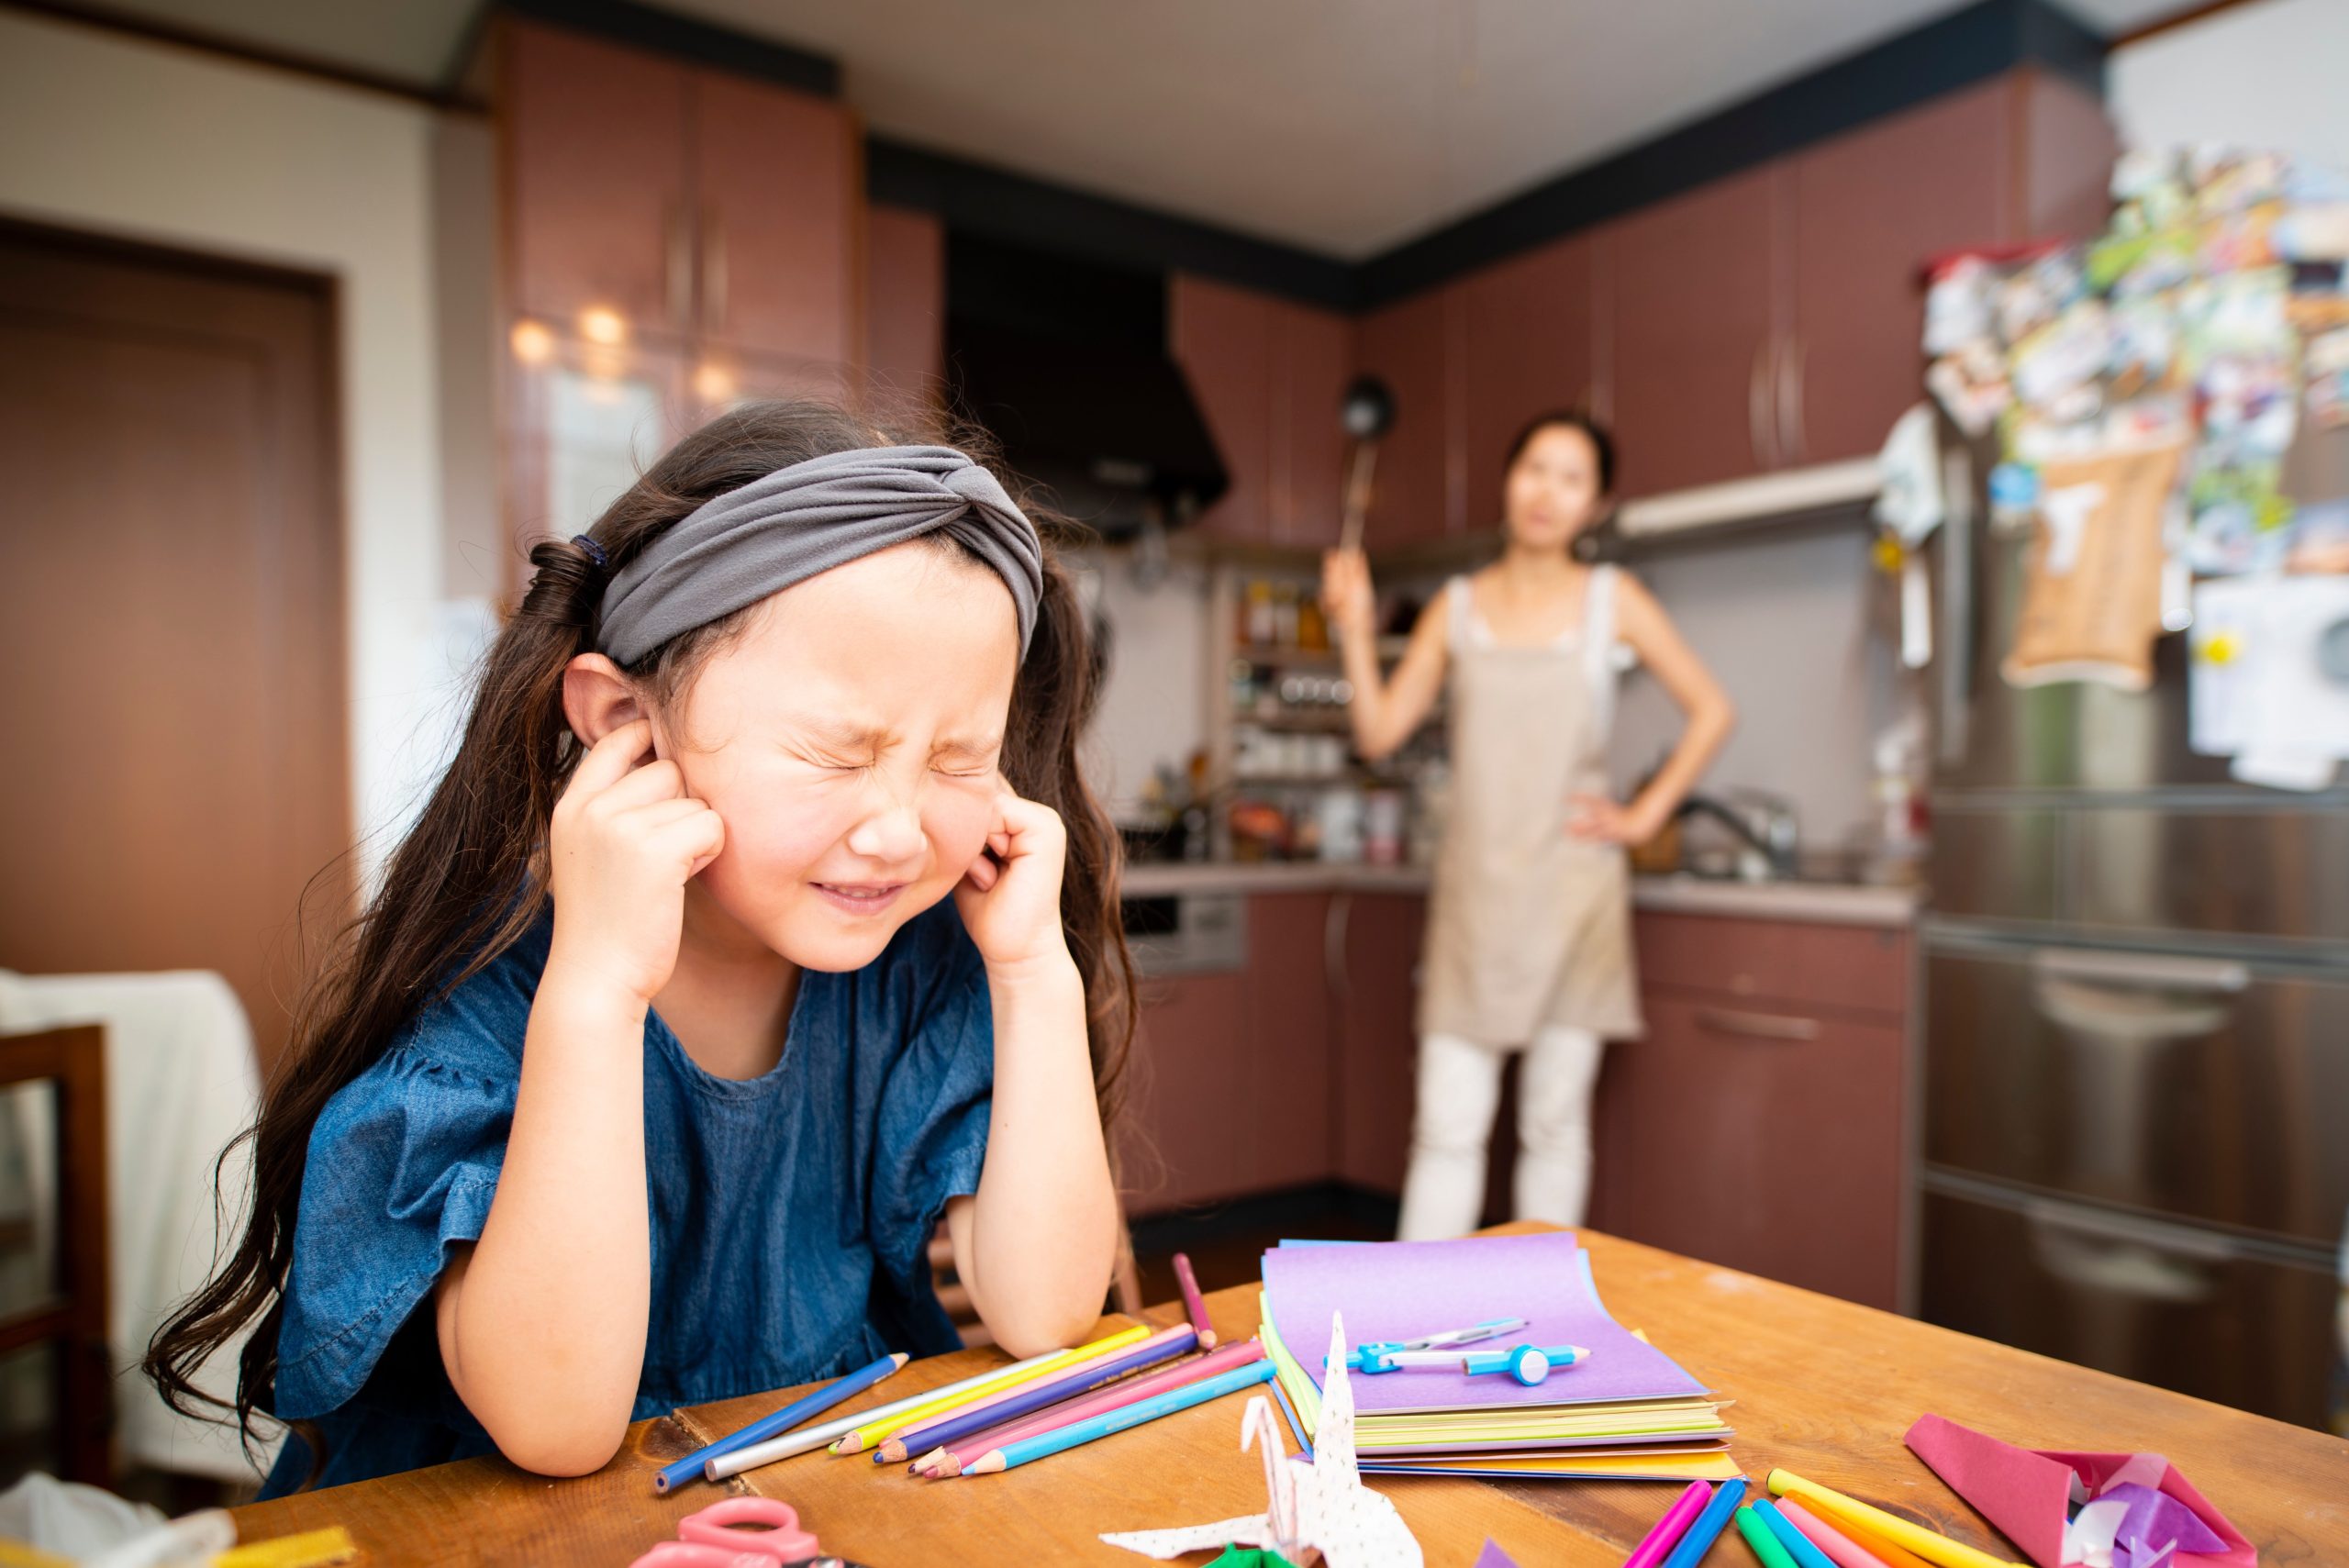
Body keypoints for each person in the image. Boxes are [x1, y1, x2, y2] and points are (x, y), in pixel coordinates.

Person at [146, 401, 1131, 1494]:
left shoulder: (916, 974)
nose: (899, 830)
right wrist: (598, 992)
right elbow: (558, 1425)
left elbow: (1044, 1312)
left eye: (959, 759)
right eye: (831, 750)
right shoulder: (488, 1007)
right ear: (624, 724)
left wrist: (1033, 968)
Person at [1322, 412, 1731, 1240]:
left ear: (1597, 503)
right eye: (1534, 468)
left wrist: (1642, 814)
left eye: (1571, 477)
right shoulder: (1457, 606)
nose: (1548, 491)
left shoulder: (1615, 600)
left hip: (1575, 898)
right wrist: (1355, 630)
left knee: (1552, 1126)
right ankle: (1413, 1331)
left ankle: (1540, 1320)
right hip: (1475, 900)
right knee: (1445, 1127)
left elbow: (1712, 710)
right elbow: (1379, 731)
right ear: (1508, 481)